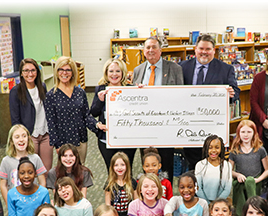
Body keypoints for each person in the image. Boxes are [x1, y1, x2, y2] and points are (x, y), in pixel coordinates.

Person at [180, 34, 240, 171]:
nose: (204, 52)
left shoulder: (226, 69)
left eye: (208, 49)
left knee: (214, 164)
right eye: (201, 48)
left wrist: (231, 94)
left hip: (213, 125)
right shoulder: (182, 67)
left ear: (214, 50)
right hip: (189, 125)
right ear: (195, 49)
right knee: (192, 165)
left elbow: (235, 92)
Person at [133, 36, 184, 183]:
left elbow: (181, 97)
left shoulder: (175, 69)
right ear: (143, 51)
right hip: (144, 126)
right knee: (148, 163)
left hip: (166, 126)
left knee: (166, 162)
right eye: (147, 47)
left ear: (160, 50)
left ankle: (166, 194)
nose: (151, 50)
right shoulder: (138, 70)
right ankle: (148, 191)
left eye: (154, 47)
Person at [45, 56, 107, 164]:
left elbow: (86, 116)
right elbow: (51, 123)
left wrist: (97, 125)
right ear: (57, 71)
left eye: (68, 70)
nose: (64, 73)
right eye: (61, 69)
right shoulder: (51, 95)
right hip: (64, 142)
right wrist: (57, 145)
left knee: (80, 171)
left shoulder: (80, 92)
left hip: (80, 139)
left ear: (73, 72)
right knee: (67, 174)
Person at [90, 58, 137, 170]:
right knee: (111, 170)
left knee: (127, 170)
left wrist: (141, 90)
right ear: (106, 73)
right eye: (111, 71)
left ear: (123, 73)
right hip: (107, 138)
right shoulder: (101, 89)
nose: (114, 74)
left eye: (118, 71)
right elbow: (94, 113)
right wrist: (100, 100)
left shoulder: (131, 89)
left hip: (127, 139)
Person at [9, 58, 53, 171]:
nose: (30, 74)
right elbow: (15, 119)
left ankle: (44, 189)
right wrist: (21, 138)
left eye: (33, 70)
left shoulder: (42, 87)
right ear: (21, 73)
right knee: (31, 170)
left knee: (46, 170)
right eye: (26, 71)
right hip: (30, 135)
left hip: (45, 134)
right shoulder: (16, 91)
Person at [228, 120, 268, 216]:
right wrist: (237, 175)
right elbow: (229, 170)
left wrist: (258, 179)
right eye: (243, 132)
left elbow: (267, 170)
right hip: (241, 182)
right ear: (238, 133)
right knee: (241, 204)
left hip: (255, 183)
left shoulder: (260, 150)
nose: (246, 135)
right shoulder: (235, 151)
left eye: (249, 132)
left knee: (251, 183)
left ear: (254, 133)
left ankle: (255, 211)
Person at [0, 124, 47, 203]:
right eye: (17, 137)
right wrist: (8, 203)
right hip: (15, 201)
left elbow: (42, 181)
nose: (21, 139)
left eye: (24, 136)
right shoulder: (6, 161)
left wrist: (40, 199)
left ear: (28, 138)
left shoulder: (35, 158)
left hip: (33, 200)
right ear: (11, 141)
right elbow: (3, 185)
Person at [195, 135, 232, 204]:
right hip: (203, 203)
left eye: (217, 147)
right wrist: (208, 203)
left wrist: (216, 204)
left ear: (221, 149)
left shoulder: (227, 165)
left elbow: (227, 188)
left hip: (221, 202)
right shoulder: (200, 165)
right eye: (210, 148)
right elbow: (198, 188)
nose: (214, 150)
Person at [104, 152, 138, 216]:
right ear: (112, 167)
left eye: (122, 165)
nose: (119, 168)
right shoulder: (109, 184)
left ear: (127, 166)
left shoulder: (133, 182)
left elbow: (136, 203)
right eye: (116, 165)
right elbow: (108, 206)